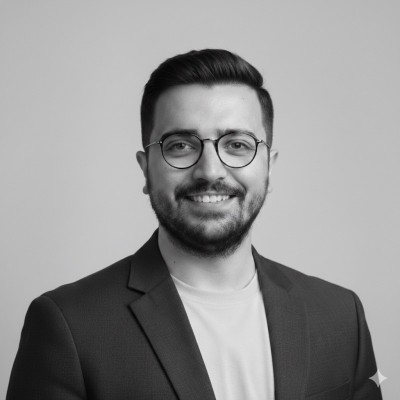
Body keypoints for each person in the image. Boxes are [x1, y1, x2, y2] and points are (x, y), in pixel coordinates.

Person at [7, 49, 382, 400]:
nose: (210, 171)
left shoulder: (340, 316)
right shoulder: (70, 325)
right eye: (181, 145)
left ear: (269, 166)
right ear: (146, 170)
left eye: (237, 144)